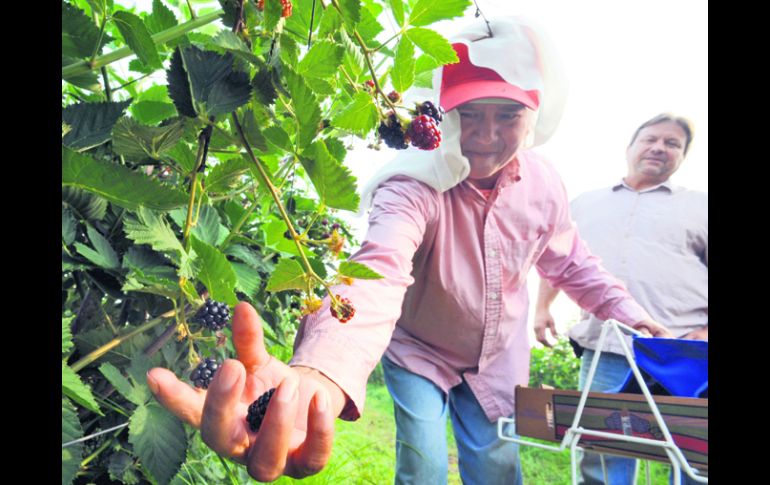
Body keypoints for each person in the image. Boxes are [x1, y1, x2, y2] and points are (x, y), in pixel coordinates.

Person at [147, 17, 671, 484]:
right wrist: (321, 371)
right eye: (469, 114)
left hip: (499, 357)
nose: (486, 135)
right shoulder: (414, 184)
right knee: (423, 462)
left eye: (508, 114)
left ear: (534, 114)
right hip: (420, 350)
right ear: (443, 113)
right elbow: (379, 268)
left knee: (496, 467)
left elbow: (572, 261)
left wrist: (629, 313)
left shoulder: (544, 185)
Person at [533, 113, 707, 485]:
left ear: (683, 156)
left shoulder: (700, 207)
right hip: (607, 347)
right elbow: (560, 258)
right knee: (602, 447)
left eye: (672, 143)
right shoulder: (585, 203)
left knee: (697, 455)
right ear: (630, 147)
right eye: (650, 139)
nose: (659, 148)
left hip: (687, 354)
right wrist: (543, 306)